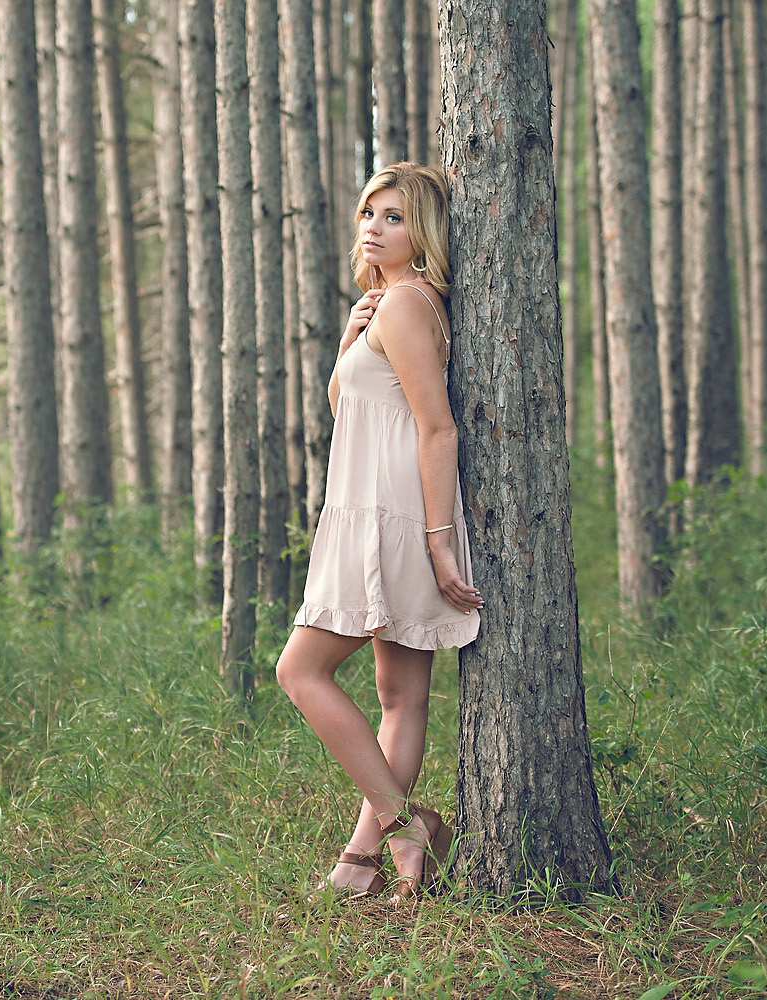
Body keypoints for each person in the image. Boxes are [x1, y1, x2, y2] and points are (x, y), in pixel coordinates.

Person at [275, 162, 484, 904]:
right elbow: (346, 403)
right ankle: (361, 861)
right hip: (371, 512)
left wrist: (436, 539)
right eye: (370, 211)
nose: (374, 225)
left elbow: (437, 427)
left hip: (393, 519)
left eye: (394, 216)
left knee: (299, 672)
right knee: (399, 697)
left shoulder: (405, 306)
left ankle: (405, 824)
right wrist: (347, 335)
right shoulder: (385, 305)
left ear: (421, 231)